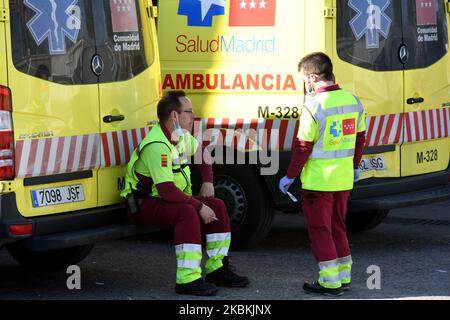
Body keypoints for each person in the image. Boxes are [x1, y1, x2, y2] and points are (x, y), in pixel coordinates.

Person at [120, 90, 249, 296]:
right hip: (145, 204)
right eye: (188, 112)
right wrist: (199, 206)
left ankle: (217, 269)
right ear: (174, 116)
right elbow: (166, 190)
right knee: (188, 212)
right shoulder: (157, 145)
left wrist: (207, 180)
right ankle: (187, 280)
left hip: (167, 200)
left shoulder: (179, 136)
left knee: (218, 205)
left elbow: (202, 152)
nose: (193, 116)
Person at [279, 52, 366, 296]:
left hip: (319, 182)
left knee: (320, 231)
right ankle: (343, 277)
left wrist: (290, 176)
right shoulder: (353, 101)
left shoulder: (313, 106)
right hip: (343, 179)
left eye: (305, 80)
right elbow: (360, 139)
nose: (305, 85)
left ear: (314, 77)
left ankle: (329, 282)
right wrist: (356, 166)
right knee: (338, 227)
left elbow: (303, 146)